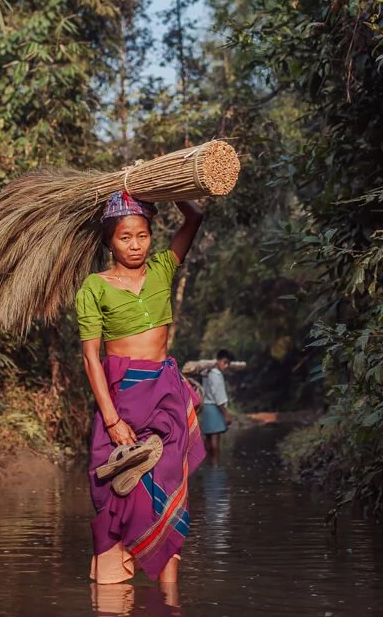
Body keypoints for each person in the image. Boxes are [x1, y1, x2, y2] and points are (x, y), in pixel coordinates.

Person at [76, 191, 206, 587]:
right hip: (121, 401)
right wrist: (112, 421)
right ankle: (115, 591)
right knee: (113, 489)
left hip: (165, 397)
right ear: (108, 241)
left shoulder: (164, 268)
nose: (135, 245)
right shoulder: (94, 287)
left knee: (167, 489)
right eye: (125, 237)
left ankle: (168, 602)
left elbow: (194, 218)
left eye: (143, 235)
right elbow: (90, 360)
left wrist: (171, 189)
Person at [199, 350, 234, 456]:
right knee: (215, 438)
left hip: (206, 408)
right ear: (218, 360)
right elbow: (219, 398)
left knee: (208, 438)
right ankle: (215, 465)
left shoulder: (207, 372)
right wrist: (226, 414)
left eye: (228, 363)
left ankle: (209, 465)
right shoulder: (216, 374)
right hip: (215, 408)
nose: (226, 365)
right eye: (225, 362)